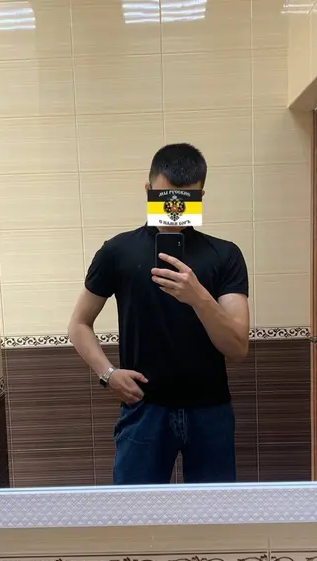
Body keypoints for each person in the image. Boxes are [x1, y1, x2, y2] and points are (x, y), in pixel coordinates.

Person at [68, 143, 249, 485]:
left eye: (186, 199)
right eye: (166, 197)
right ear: (148, 190)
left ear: (201, 196)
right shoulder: (117, 252)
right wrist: (108, 374)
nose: (175, 208)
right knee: (135, 513)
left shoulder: (225, 255)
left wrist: (199, 298)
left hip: (210, 411)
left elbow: (238, 348)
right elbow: (78, 324)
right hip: (144, 409)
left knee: (214, 514)